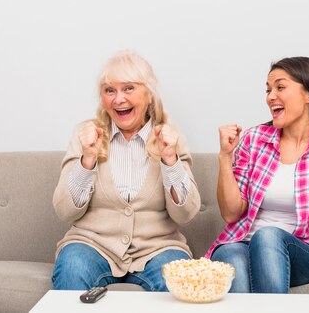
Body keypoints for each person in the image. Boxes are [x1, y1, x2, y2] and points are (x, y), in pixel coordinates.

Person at [52, 50, 201, 291]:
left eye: (128, 88)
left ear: (149, 95)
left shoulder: (170, 137)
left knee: (177, 279)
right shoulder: (85, 135)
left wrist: (170, 160)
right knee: (73, 266)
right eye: (110, 91)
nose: (118, 99)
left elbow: (185, 214)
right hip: (92, 244)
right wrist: (87, 159)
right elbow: (64, 211)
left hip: (158, 248)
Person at [206, 56, 309, 293]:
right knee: (228, 252)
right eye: (268, 89)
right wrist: (225, 156)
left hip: (303, 251)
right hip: (244, 242)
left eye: (280, 87)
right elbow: (231, 213)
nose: (270, 96)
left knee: (267, 237)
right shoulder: (255, 139)